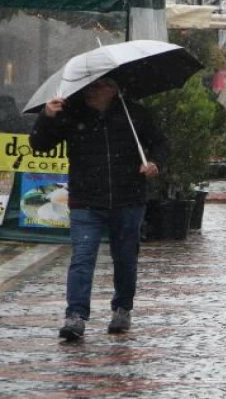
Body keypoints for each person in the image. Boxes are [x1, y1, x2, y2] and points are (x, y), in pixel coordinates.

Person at [29, 77, 168, 340]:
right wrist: (47, 116)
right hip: (86, 201)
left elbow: (161, 143)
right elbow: (39, 145)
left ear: (113, 88)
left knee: (125, 258)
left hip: (128, 199)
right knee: (82, 258)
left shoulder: (134, 114)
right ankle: (76, 316)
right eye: (89, 85)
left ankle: (122, 309)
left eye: (98, 85)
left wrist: (154, 162)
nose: (90, 90)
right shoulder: (71, 114)